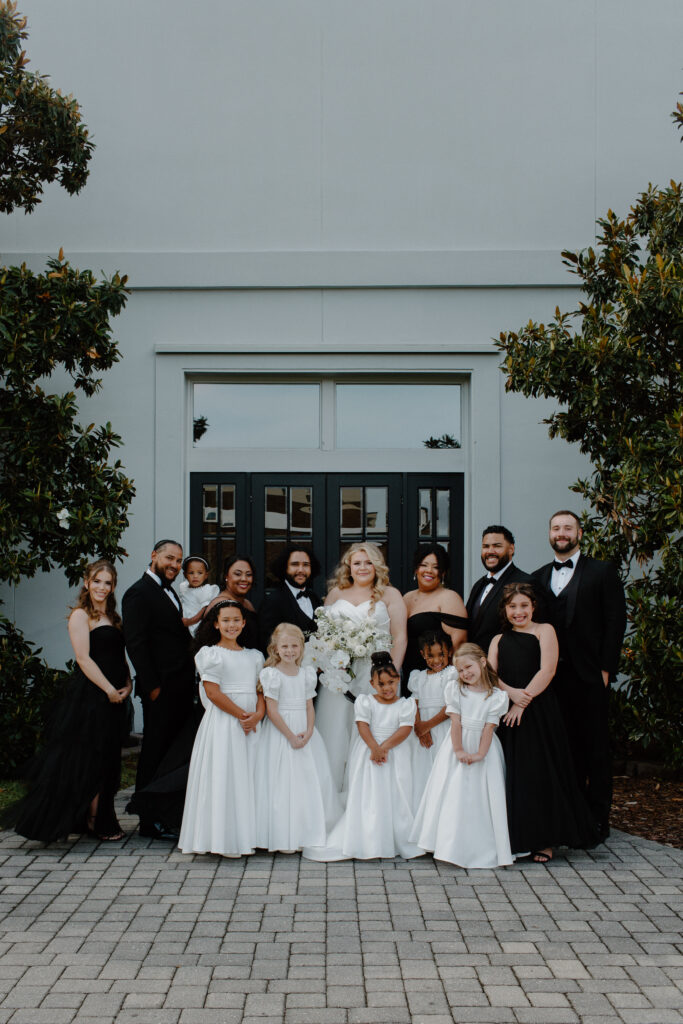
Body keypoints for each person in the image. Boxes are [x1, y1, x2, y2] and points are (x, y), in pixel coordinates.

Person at [13, 560, 131, 843]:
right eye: (97, 581)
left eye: (108, 582)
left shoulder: (114, 617)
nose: (102, 587)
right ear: (87, 582)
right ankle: (93, 819)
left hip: (116, 694)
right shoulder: (81, 615)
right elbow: (83, 658)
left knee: (108, 759)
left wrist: (127, 683)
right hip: (92, 696)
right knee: (89, 758)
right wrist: (108, 690)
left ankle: (100, 816)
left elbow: (119, 655)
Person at [532, 511, 627, 840]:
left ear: (579, 533)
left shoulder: (602, 572)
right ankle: (570, 817)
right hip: (551, 680)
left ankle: (599, 819)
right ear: (549, 533)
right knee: (563, 747)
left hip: (589, 677)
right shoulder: (538, 577)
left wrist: (605, 670)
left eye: (567, 528)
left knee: (595, 749)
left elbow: (616, 623)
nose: (561, 533)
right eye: (555, 527)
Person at [489, 582, 599, 862]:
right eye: (512, 606)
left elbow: (547, 670)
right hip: (507, 712)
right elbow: (490, 674)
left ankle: (543, 840)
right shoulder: (498, 639)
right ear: (505, 609)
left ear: (533, 607)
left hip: (538, 712)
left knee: (538, 773)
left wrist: (522, 702)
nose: (518, 612)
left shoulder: (544, 631)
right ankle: (514, 837)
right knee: (513, 773)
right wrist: (510, 696)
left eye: (524, 606)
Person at [303, 653, 422, 861]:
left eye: (391, 682)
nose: (387, 688)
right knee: (370, 792)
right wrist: (375, 748)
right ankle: (370, 836)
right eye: (381, 683)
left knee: (396, 790)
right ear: (372, 683)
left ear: (398, 680)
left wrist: (383, 748)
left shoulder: (405, 704)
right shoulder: (365, 702)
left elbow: (405, 729)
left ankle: (395, 835)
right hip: (369, 751)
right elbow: (362, 726)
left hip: (394, 752)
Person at [315, 542, 408, 791]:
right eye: (357, 563)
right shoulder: (336, 594)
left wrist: (392, 673)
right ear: (349, 567)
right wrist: (328, 663)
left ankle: (369, 793)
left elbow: (399, 636)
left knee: (373, 730)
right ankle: (334, 794)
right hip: (340, 674)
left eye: (368, 562)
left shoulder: (390, 595)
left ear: (377, 566)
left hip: (376, 673)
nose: (363, 567)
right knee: (336, 731)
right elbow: (324, 637)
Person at [411, 643, 512, 868]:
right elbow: (455, 722)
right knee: (452, 792)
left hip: (484, 749)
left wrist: (479, 754)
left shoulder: (497, 696)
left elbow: (489, 728)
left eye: (468, 667)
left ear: (483, 662)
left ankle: (482, 846)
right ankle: (448, 844)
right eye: (460, 670)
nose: (465, 673)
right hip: (457, 742)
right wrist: (458, 750)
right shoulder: (456, 690)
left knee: (482, 797)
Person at [178, 601, 265, 857]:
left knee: (248, 777)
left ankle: (247, 835)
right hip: (225, 723)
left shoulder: (255, 656)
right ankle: (220, 838)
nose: (231, 625)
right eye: (225, 620)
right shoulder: (210, 654)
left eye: (236, 620)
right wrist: (241, 714)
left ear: (244, 623)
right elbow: (213, 693)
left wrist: (257, 715)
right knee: (223, 776)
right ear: (216, 624)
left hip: (251, 724)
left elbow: (261, 690)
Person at [122, 539, 195, 840]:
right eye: (169, 558)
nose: (174, 565)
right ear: (153, 556)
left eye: (178, 561)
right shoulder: (138, 593)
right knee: (153, 753)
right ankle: (149, 820)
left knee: (170, 754)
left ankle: (165, 814)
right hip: (160, 691)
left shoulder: (170, 593)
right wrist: (152, 688)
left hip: (179, 688)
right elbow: (136, 644)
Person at [254, 624, 341, 852]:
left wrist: (310, 730)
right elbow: (272, 711)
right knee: (282, 782)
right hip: (281, 732)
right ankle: (281, 834)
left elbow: (309, 706)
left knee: (308, 780)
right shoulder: (271, 675)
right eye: (285, 646)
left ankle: (306, 831)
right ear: (275, 648)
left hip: (304, 729)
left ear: (301, 648)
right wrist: (290, 736)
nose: (290, 651)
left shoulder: (306, 674)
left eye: (294, 646)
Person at [403, 543, 468, 688]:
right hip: (411, 677)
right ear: (416, 569)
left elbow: (460, 645)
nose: (429, 570)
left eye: (436, 567)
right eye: (424, 565)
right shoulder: (406, 598)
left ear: (443, 573)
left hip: (439, 680)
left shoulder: (450, 597)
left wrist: (451, 683)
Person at [465, 525, 535, 653]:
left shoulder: (526, 582)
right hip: (477, 666)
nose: (490, 551)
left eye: (497, 546)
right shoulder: (478, 584)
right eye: (486, 546)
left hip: (508, 664)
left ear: (511, 549)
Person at [407, 630, 458, 803]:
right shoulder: (418, 677)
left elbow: (451, 705)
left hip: (444, 727)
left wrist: (427, 725)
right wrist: (420, 727)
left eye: (441, 655)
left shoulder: (452, 674)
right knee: (423, 768)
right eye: (431, 656)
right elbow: (414, 701)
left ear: (449, 652)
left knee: (443, 766)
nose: (436, 660)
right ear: (422, 655)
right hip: (422, 730)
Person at [258, 545, 323, 653]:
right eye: (295, 564)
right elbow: (266, 641)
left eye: (306, 565)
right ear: (284, 567)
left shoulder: (314, 598)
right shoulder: (272, 601)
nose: (301, 570)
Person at [206, 554, 259, 649]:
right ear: (226, 576)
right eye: (237, 574)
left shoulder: (247, 604)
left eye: (248, 574)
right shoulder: (220, 604)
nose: (244, 579)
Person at [178, 555, 220, 636]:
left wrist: (190, 621)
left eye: (200, 573)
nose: (195, 576)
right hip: (184, 625)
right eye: (191, 573)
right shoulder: (184, 587)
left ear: (206, 575)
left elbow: (204, 610)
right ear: (185, 574)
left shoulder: (205, 590)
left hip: (197, 625)